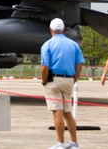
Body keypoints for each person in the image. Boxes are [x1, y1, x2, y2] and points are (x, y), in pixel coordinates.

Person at [40, 17, 84, 149]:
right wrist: (74, 79)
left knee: (57, 111)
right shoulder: (74, 44)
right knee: (67, 112)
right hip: (69, 79)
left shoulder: (47, 45)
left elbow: (44, 66)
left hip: (53, 79)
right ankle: (74, 142)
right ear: (63, 29)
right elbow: (79, 64)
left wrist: (44, 81)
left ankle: (60, 143)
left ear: (50, 29)